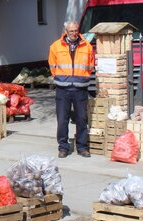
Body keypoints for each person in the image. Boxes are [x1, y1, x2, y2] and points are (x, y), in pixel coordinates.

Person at [48, 21, 94, 158]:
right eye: (71, 31)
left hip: (80, 88)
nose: (74, 33)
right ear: (66, 31)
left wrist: (84, 77)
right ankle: (63, 147)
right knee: (62, 119)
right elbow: (52, 64)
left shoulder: (87, 46)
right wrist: (60, 78)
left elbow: (90, 65)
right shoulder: (55, 46)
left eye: (75, 30)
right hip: (63, 89)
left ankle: (82, 147)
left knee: (81, 119)